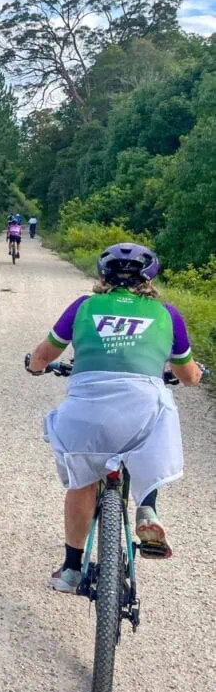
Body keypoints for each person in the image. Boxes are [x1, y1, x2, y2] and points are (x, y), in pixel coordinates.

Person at [26, 243, 205, 594]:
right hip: (141, 405)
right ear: (150, 277)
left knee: (80, 481)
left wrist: (34, 365)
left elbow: (43, 356)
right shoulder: (168, 314)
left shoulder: (83, 307)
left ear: (103, 275)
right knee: (154, 433)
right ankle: (148, 511)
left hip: (86, 410)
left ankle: (71, 570)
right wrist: (197, 373)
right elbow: (188, 377)